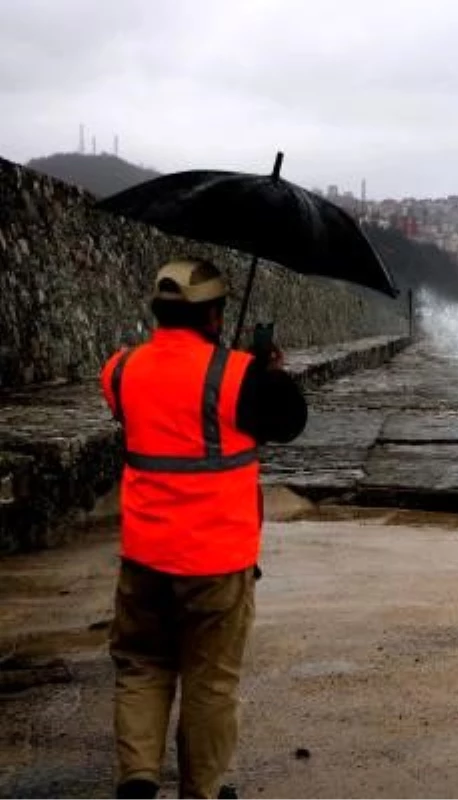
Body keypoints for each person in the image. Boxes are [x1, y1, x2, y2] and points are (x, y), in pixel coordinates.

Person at [99, 258, 308, 800]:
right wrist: (269, 370)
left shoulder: (119, 370)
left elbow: (162, 412)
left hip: (143, 555)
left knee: (141, 667)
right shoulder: (242, 376)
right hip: (216, 559)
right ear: (214, 315)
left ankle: (139, 779)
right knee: (210, 681)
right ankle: (203, 792)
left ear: (159, 312)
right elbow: (289, 421)